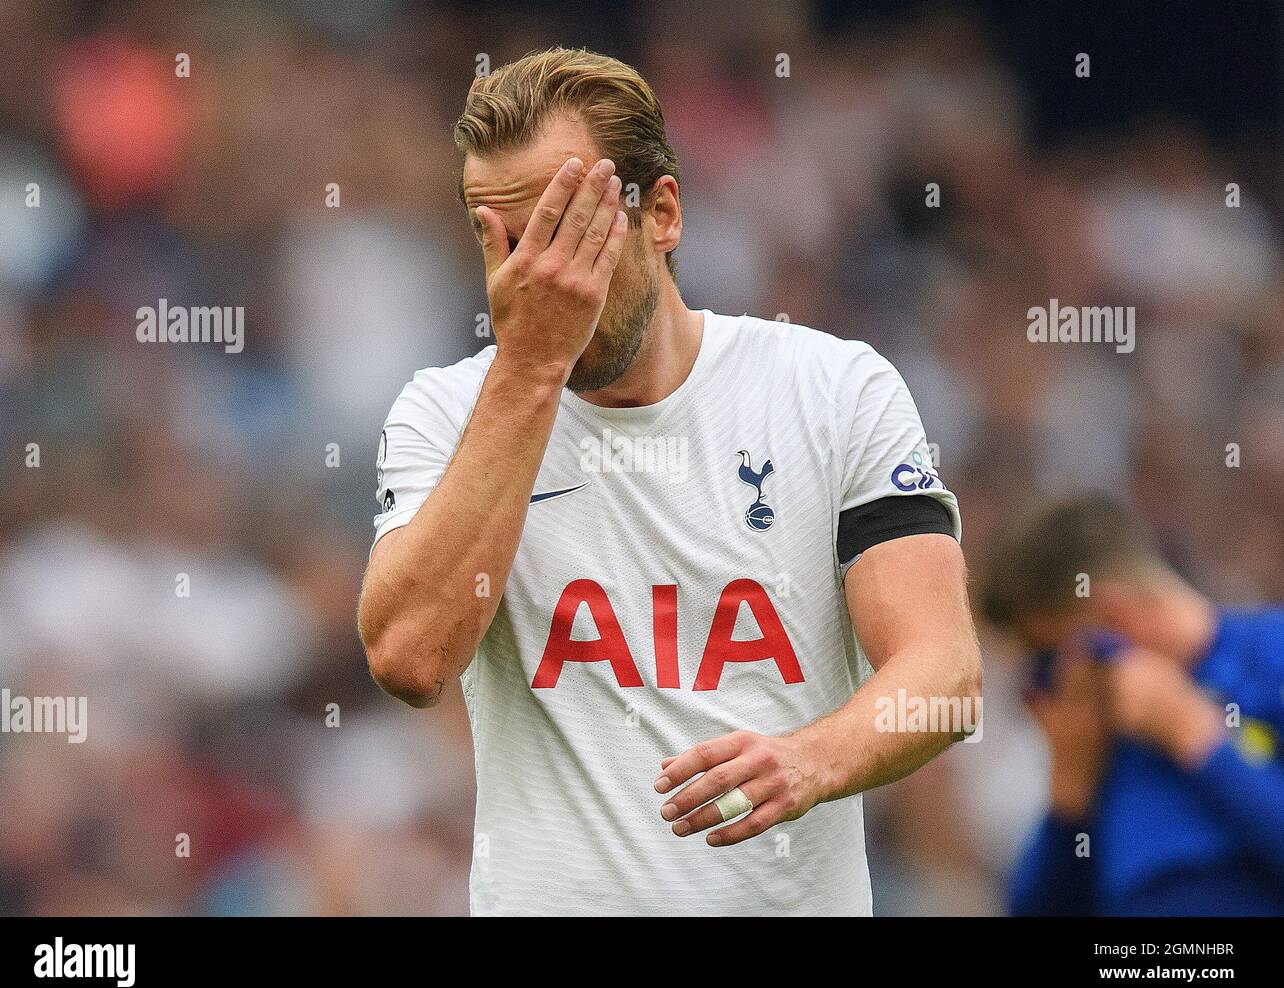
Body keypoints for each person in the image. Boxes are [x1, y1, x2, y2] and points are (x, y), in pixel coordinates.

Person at [357, 47, 980, 916]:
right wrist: (532, 370)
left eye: (564, 227)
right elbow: (410, 657)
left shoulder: (835, 391)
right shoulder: (443, 413)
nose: (531, 275)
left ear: (663, 215)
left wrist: (809, 759)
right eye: (495, 239)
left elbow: (944, 674)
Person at [981, 494, 1284, 915]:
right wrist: (1069, 795)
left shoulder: (1272, 652)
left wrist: (1198, 740)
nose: (1042, 702)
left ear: (1114, 616)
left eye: (1044, 666)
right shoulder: (1098, 744)